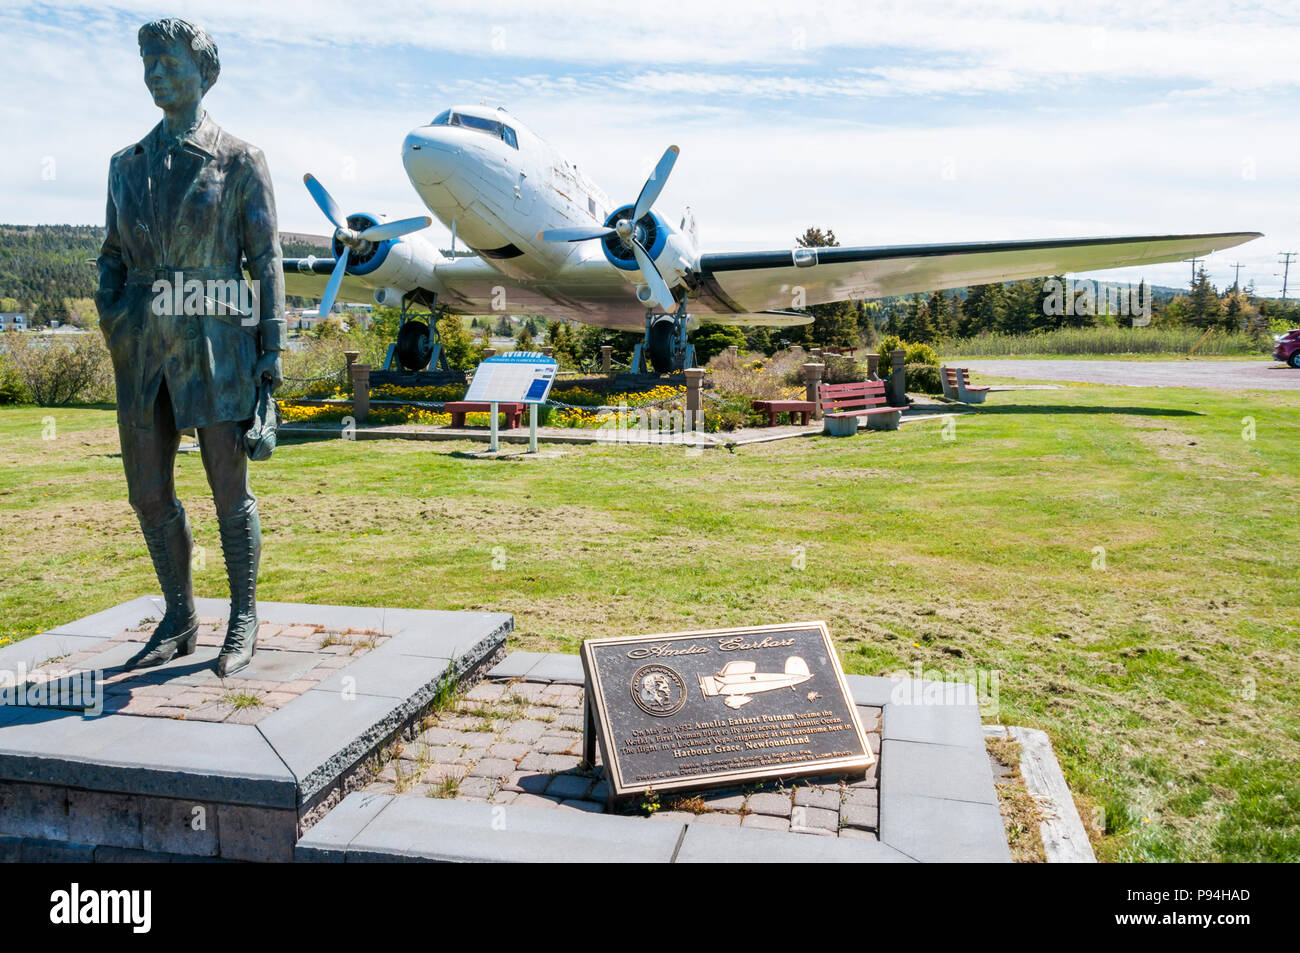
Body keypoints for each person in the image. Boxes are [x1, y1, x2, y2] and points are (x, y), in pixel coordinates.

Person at [96, 17, 285, 677]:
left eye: (169, 62)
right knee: (147, 492)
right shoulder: (126, 165)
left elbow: (265, 262)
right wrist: (117, 315)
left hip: (216, 343)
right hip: (144, 350)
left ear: (204, 71)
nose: (156, 73)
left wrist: (271, 354)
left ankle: (244, 615)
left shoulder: (238, 160)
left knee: (228, 489)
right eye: (148, 62)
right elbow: (112, 258)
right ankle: (179, 615)